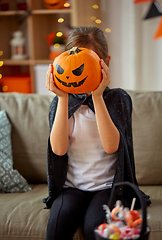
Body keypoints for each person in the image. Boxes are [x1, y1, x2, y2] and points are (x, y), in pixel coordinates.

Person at [44, 26, 151, 240]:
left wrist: (98, 96)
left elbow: (111, 146)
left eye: (87, 63)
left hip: (107, 187)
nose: (79, 71)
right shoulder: (60, 103)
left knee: (95, 226)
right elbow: (58, 149)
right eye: (72, 63)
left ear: (106, 62)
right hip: (71, 187)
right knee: (57, 225)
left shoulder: (118, 99)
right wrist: (63, 98)